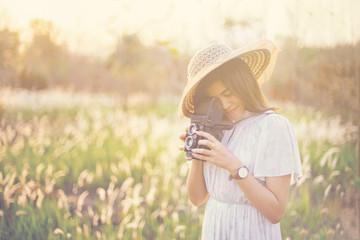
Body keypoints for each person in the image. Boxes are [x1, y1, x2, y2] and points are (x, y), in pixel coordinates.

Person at [178, 39, 302, 240]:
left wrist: (234, 165)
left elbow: (276, 212)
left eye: (228, 93)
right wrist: (196, 154)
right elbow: (197, 198)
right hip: (214, 230)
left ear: (243, 83)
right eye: (215, 100)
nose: (225, 105)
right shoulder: (215, 129)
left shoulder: (272, 126)